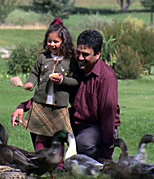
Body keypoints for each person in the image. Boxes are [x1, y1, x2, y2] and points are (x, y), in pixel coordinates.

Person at [12, 29, 121, 163]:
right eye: (78, 53)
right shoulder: (75, 67)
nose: (80, 58)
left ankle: (94, 161)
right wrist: (24, 106)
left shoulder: (106, 78)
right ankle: (45, 164)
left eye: (85, 55)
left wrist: (107, 155)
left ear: (98, 55)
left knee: (83, 144)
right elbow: (49, 94)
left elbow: (108, 116)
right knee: (40, 120)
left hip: (96, 126)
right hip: (75, 120)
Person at [20, 18, 79, 167]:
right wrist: (30, 83)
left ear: (64, 42)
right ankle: (41, 163)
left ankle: (58, 166)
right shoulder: (43, 58)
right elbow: (34, 73)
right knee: (40, 137)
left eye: (56, 42)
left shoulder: (70, 61)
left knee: (58, 138)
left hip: (59, 107)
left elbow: (75, 81)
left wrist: (62, 80)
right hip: (41, 104)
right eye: (49, 41)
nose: (52, 44)